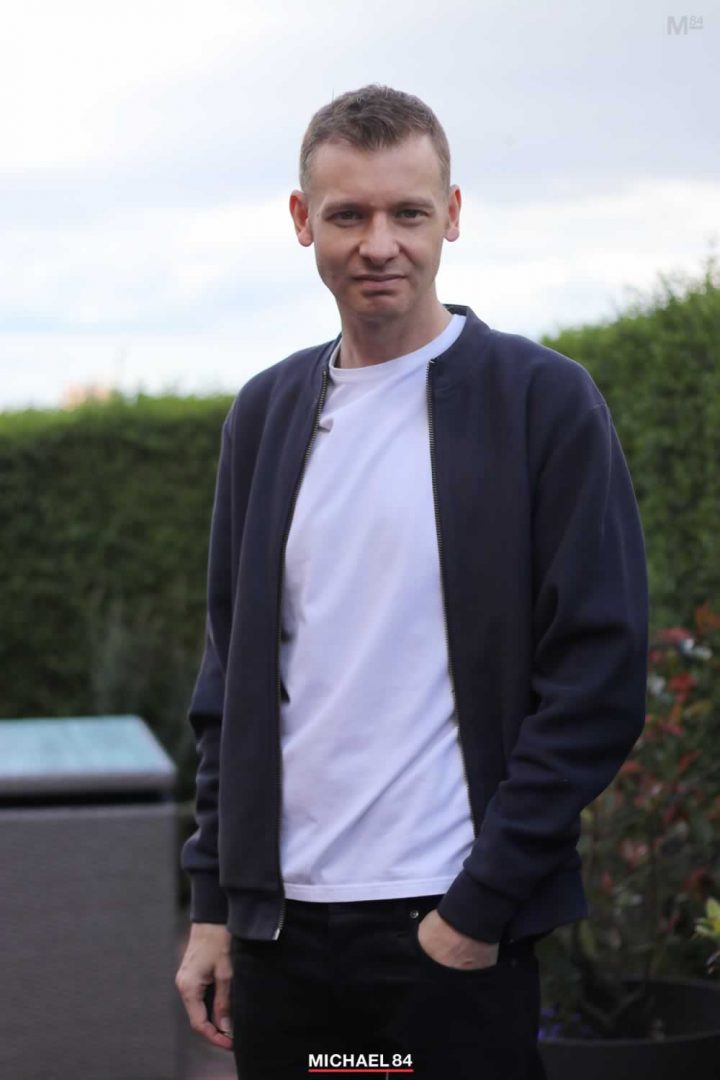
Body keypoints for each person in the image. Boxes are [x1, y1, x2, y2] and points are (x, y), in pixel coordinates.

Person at [175, 84, 649, 1080]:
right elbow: (232, 686)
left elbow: (597, 678)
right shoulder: (263, 416)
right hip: (281, 932)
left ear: (454, 215)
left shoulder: (542, 402)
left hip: (445, 921)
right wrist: (215, 906)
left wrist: (480, 908)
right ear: (304, 221)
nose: (378, 243)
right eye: (348, 214)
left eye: (408, 213)